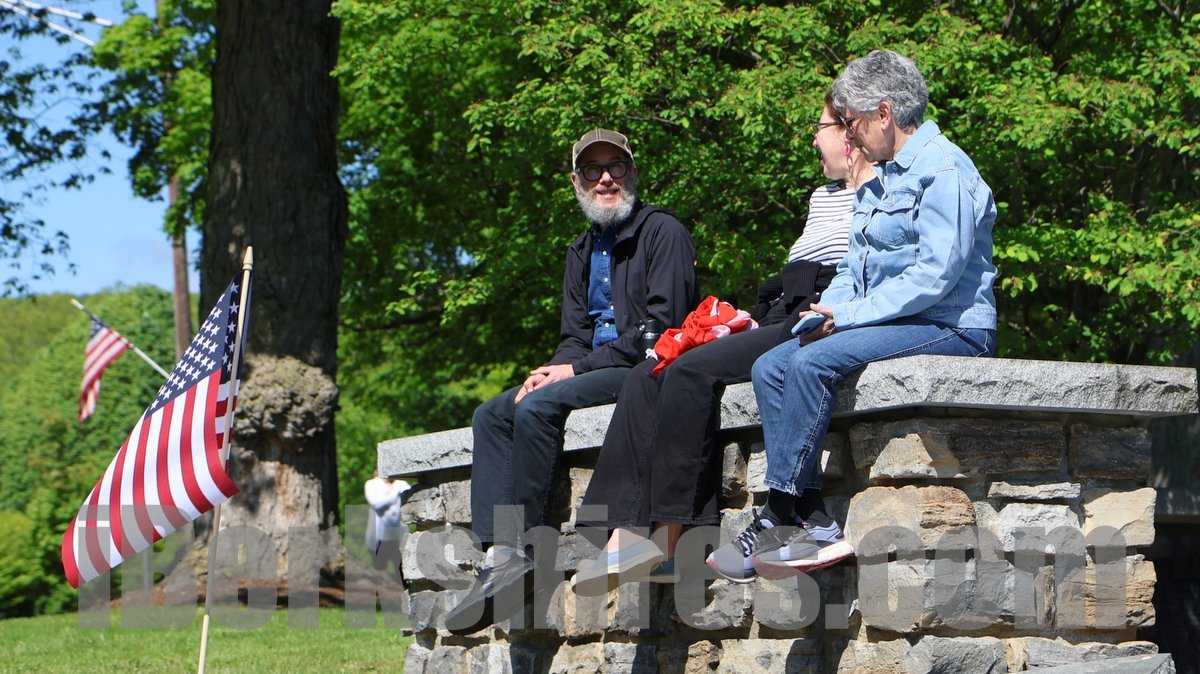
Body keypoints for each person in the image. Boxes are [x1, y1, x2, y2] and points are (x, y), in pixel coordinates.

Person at [706, 49, 999, 582]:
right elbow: (853, 266)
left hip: (953, 325)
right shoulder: (879, 177)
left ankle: (779, 511)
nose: (849, 136)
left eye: (853, 122)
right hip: (897, 321)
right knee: (770, 365)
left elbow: (936, 276)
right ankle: (812, 518)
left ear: (883, 114)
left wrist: (850, 317)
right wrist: (827, 310)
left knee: (811, 364)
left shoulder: (945, 170)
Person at [572, 93, 872, 594]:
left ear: (849, 132)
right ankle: (625, 532)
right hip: (783, 308)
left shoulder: (883, 191)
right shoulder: (823, 196)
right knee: (650, 371)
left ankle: (671, 535)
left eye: (820, 128)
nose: (813, 140)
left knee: (690, 372)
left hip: (820, 311)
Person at [445, 128, 698, 633]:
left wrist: (573, 371)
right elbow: (574, 336)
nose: (605, 179)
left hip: (643, 369)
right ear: (576, 181)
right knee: (493, 414)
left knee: (539, 409)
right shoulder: (581, 250)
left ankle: (527, 550)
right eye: (592, 170)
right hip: (593, 367)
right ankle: (501, 555)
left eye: (616, 167)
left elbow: (662, 328)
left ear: (632, 173)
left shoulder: (663, 232)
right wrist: (549, 372)